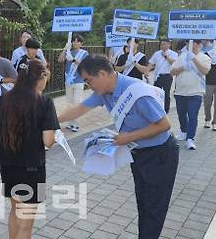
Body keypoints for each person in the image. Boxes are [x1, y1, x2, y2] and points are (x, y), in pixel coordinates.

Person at [57, 55, 178, 239]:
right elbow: (79, 109)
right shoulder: (103, 93)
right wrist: (47, 120)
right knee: (144, 203)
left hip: (160, 154)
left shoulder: (136, 92)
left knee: (154, 206)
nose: (89, 86)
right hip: (138, 153)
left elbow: (164, 125)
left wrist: (129, 136)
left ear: (103, 73)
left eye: (89, 80)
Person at [0, 59, 58, 239]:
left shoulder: (3, 100)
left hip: (8, 166)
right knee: (26, 224)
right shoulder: (44, 102)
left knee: (15, 210)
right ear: (40, 77)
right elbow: (49, 141)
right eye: (46, 78)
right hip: (32, 167)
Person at [170, 40, 211, 150]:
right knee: (181, 114)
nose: (188, 46)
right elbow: (172, 71)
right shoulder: (182, 56)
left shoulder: (205, 57)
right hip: (180, 91)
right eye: (187, 43)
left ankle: (190, 139)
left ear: (198, 45)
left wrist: (194, 59)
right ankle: (183, 131)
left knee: (193, 116)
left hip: (196, 92)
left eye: (191, 43)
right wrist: (183, 67)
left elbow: (205, 71)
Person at [57, 34, 88, 132]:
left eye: (77, 41)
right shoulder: (69, 51)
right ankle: (70, 123)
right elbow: (60, 60)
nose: (75, 43)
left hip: (79, 81)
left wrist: (74, 60)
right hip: (69, 81)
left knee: (76, 102)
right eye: (74, 41)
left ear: (81, 43)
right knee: (70, 103)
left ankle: (76, 124)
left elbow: (85, 65)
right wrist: (65, 49)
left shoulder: (84, 53)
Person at [149, 39, 178, 113]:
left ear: (169, 44)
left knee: (166, 94)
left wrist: (166, 57)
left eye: (165, 44)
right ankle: (156, 109)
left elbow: (174, 63)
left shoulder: (173, 54)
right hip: (158, 76)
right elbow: (151, 63)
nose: (163, 46)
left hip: (168, 76)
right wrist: (147, 71)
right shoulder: (157, 53)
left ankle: (166, 110)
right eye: (162, 44)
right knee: (155, 93)